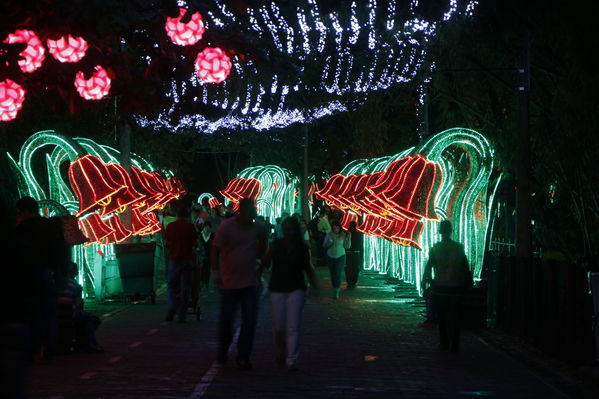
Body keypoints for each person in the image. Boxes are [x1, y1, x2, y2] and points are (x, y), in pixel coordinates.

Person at [211, 198, 268, 370]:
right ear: (240, 212)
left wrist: (259, 263)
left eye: (253, 213)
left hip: (250, 283)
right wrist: (216, 274)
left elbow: (264, 244)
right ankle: (223, 349)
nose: (251, 217)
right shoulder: (227, 226)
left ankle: (243, 356)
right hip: (229, 283)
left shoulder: (258, 227)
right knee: (227, 321)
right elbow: (215, 249)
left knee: (249, 321)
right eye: (248, 213)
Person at [262, 217, 317, 372]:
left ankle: (291, 359)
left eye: (292, 229)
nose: (289, 232)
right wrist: (257, 272)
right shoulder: (277, 245)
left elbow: (308, 268)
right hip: (277, 288)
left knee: (293, 325)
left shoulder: (302, 248)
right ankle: (280, 351)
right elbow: (266, 260)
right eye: (286, 229)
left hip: (296, 288)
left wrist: (314, 285)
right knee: (279, 327)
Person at [15, 196, 59, 362]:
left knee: (32, 313)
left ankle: (35, 350)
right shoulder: (49, 225)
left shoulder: (24, 227)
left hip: (31, 275)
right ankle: (49, 350)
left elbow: (19, 251)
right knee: (48, 313)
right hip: (49, 273)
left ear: (25, 211)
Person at [421, 220, 473, 352]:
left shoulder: (436, 248)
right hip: (456, 287)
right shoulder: (459, 248)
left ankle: (444, 342)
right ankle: (455, 343)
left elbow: (429, 266)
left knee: (442, 316)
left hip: (440, 288)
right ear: (451, 230)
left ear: (440, 231)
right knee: (456, 316)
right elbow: (465, 268)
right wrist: (468, 284)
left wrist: (425, 281)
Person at [57, 262, 102, 352]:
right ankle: (87, 344)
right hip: (68, 315)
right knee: (92, 319)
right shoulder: (76, 286)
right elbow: (77, 306)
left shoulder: (56, 283)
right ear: (75, 273)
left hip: (54, 315)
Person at [164, 206, 198, 323]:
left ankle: (172, 306)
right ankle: (182, 315)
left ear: (177, 215)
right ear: (187, 216)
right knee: (185, 289)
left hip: (173, 259)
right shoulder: (190, 227)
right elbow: (195, 243)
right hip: (187, 260)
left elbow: (167, 242)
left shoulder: (170, 227)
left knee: (172, 286)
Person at [323, 220, 351, 299]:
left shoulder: (343, 235)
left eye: (337, 228)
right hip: (330, 256)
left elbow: (347, 246)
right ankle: (335, 287)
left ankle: (337, 290)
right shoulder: (329, 235)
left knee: (338, 272)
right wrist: (330, 243)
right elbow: (324, 245)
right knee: (332, 274)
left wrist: (348, 238)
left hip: (341, 256)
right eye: (334, 228)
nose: (336, 229)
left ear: (339, 228)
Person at [345, 221, 363, 288]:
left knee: (348, 267)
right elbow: (360, 244)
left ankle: (349, 282)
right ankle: (354, 282)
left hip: (348, 252)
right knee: (355, 268)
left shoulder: (347, 233)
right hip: (356, 252)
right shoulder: (358, 234)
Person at [198, 221, 213, 289]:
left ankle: (206, 283)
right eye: (206, 227)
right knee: (201, 269)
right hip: (201, 256)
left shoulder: (212, 235)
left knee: (207, 269)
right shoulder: (200, 235)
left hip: (209, 255)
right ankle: (201, 282)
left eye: (208, 227)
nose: (207, 229)